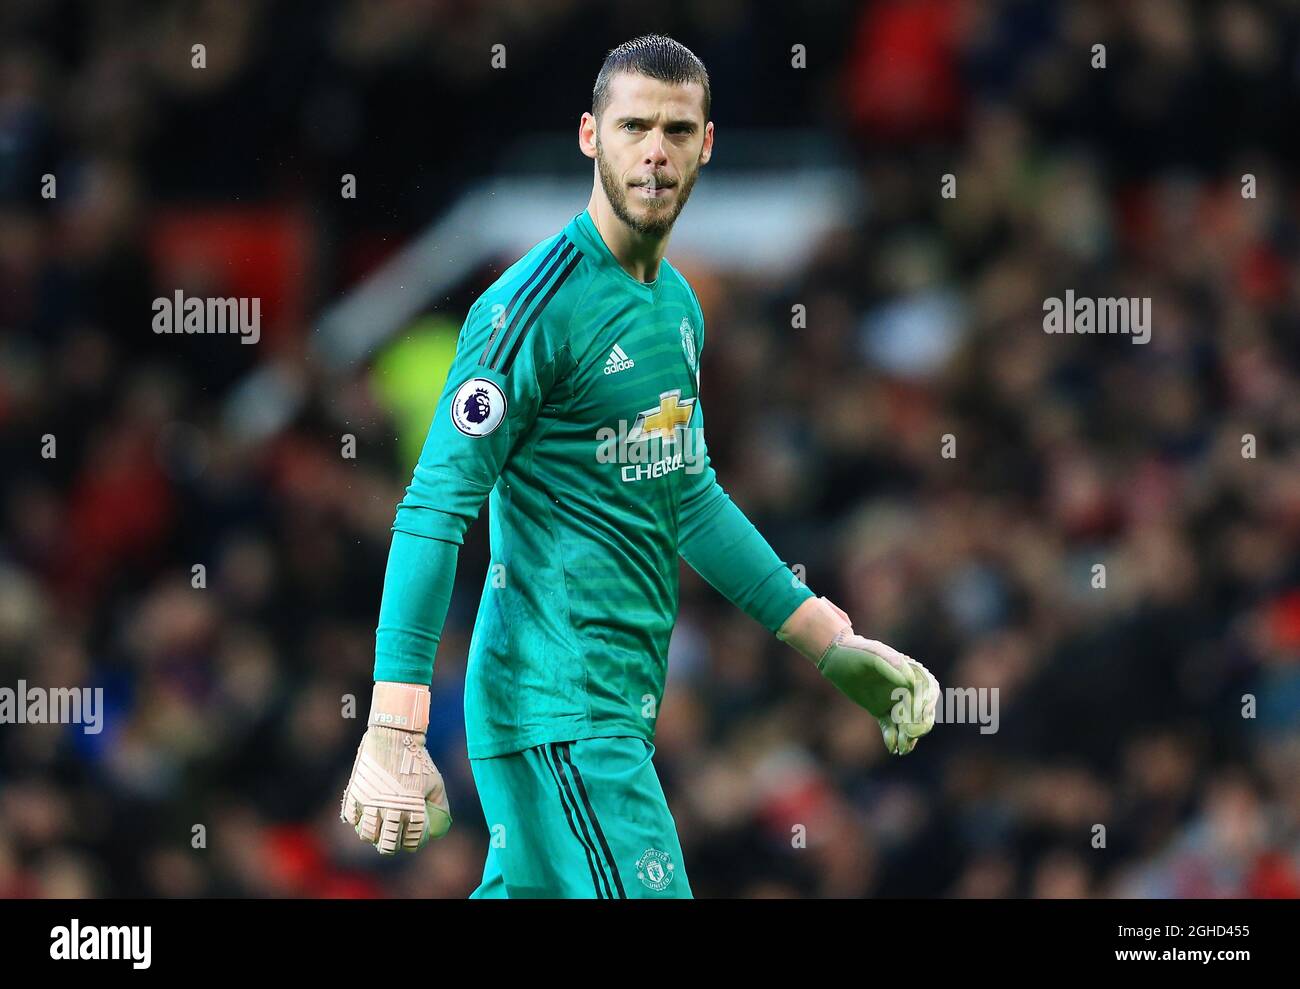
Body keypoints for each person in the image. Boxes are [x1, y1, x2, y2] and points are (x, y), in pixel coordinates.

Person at [340, 34, 940, 899]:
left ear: (707, 143)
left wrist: (826, 638)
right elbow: (435, 504)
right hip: (563, 710)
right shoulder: (531, 308)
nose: (654, 150)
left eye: (675, 128)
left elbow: (686, 493)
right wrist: (394, 722)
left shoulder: (678, 306)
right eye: (633, 127)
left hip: (607, 710)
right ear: (590, 136)